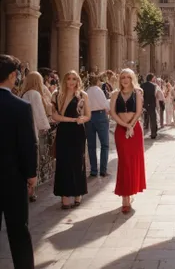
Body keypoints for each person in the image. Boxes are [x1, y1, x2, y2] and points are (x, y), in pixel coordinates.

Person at [0, 55, 37, 269]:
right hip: (13, 179)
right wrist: (31, 175)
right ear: (13, 75)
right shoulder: (20, 107)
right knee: (18, 231)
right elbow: (27, 144)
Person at [52, 71, 91, 209]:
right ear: (64, 80)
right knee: (63, 163)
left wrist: (82, 119)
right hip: (64, 131)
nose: (71, 82)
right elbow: (55, 116)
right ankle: (65, 195)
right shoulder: (57, 95)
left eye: (74, 79)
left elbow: (88, 115)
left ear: (78, 80)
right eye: (68, 78)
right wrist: (72, 119)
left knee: (77, 161)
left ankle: (78, 193)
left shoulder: (83, 95)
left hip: (78, 132)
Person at [109, 68, 146, 213]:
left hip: (135, 130)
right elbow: (112, 112)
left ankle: (130, 192)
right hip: (121, 130)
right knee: (124, 162)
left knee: (133, 162)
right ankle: (125, 196)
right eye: (123, 77)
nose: (125, 80)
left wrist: (131, 125)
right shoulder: (115, 94)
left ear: (132, 79)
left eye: (128, 77)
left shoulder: (137, 93)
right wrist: (125, 125)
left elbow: (138, 111)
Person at [21, 71, 51, 202]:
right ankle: (31, 191)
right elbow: (38, 113)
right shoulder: (35, 94)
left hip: (23, 132)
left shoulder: (23, 94)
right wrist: (45, 126)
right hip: (33, 132)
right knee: (34, 161)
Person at [85, 74, 110, 178]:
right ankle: (103, 170)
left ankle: (93, 170)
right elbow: (105, 105)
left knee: (91, 146)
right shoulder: (98, 90)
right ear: (97, 81)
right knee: (104, 144)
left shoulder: (86, 91)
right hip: (100, 116)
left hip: (89, 117)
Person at [141, 73, 159, 138]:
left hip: (144, 104)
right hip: (152, 104)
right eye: (154, 78)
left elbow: (141, 95)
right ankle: (153, 133)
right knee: (153, 119)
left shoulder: (142, 85)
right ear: (152, 78)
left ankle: (141, 133)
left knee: (143, 118)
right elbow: (156, 95)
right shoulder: (154, 86)